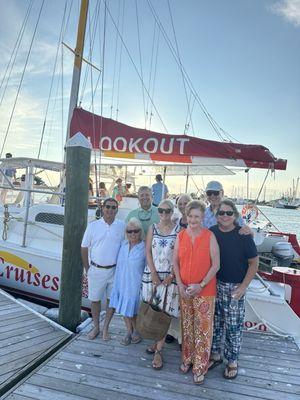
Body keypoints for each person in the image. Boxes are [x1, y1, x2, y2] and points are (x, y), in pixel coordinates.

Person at [208, 199, 258, 380]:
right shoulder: (212, 232)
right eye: (221, 213)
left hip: (235, 287)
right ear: (217, 216)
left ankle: (232, 361)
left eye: (229, 213)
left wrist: (244, 286)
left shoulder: (244, 235)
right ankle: (215, 355)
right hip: (215, 284)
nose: (225, 216)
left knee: (233, 326)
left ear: (235, 216)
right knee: (216, 323)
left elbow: (254, 263)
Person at [173, 200, 220, 385]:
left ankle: (200, 366)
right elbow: (175, 261)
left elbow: (216, 265)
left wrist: (201, 284)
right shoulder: (181, 235)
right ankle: (187, 359)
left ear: (202, 218)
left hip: (204, 291)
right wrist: (179, 283)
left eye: (197, 216)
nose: (193, 219)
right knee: (187, 327)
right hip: (184, 289)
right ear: (186, 216)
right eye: (190, 216)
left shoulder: (210, 236)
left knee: (203, 331)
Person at [141, 199, 180, 370]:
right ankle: (157, 343)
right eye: (161, 210)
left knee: (165, 313)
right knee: (154, 311)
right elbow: (148, 251)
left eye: (168, 211)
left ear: (173, 212)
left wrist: (172, 275)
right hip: (153, 275)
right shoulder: (152, 228)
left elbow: (180, 256)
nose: (164, 214)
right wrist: (154, 273)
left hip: (170, 277)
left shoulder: (179, 230)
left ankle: (158, 350)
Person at [81, 197, 125, 340]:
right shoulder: (93, 226)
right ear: (102, 208)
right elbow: (84, 247)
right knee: (95, 300)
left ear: (117, 210)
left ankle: (106, 328)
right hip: (96, 269)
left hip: (114, 270)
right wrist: (87, 268)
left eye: (113, 207)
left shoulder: (121, 226)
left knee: (111, 301)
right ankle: (96, 327)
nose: (110, 210)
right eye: (108, 207)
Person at [109, 218, 146, 346]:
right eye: (129, 231)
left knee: (133, 310)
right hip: (121, 282)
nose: (133, 234)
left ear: (140, 232)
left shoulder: (144, 247)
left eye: (136, 231)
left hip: (135, 283)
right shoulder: (123, 245)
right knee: (124, 309)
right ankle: (129, 331)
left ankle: (136, 330)